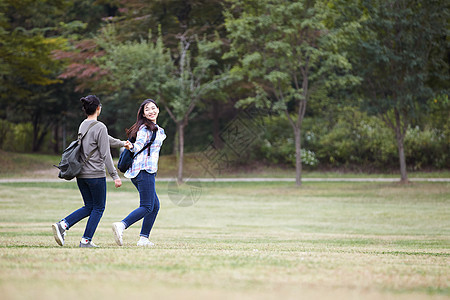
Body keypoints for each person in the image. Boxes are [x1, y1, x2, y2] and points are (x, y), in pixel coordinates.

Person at [52, 95, 128, 248]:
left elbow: (105, 139)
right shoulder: (100, 126)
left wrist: (123, 143)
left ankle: (63, 225)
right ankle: (86, 240)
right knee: (99, 207)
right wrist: (115, 176)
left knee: (89, 206)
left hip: (81, 174)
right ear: (98, 108)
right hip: (95, 175)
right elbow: (106, 153)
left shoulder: (83, 125)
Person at [112, 99, 166, 247]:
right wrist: (131, 146)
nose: (151, 111)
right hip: (143, 170)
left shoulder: (157, 129)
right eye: (147, 109)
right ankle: (121, 225)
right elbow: (139, 145)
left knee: (154, 205)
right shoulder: (145, 128)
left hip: (146, 171)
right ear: (143, 113)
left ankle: (143, 239)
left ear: (158, 109)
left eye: (153, 108)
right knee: (147, 206)